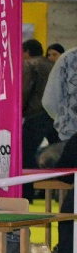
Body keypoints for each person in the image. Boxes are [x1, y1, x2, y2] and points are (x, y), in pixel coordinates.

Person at [21, 38, 58, 200]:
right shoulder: (52, 65)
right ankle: (62, 191)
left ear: (27, 51)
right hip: (54, 115)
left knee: (25, 154)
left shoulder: (29, 65)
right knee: (60, 153)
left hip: (35, 115)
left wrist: (19, 110)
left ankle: (27, 193)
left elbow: (25, 89)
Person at [43, 45, 77, 141]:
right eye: (49, 55)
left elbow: (49, 100)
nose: (51, 57)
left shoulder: (67, 60)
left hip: (69, 127)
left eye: (54, 54)